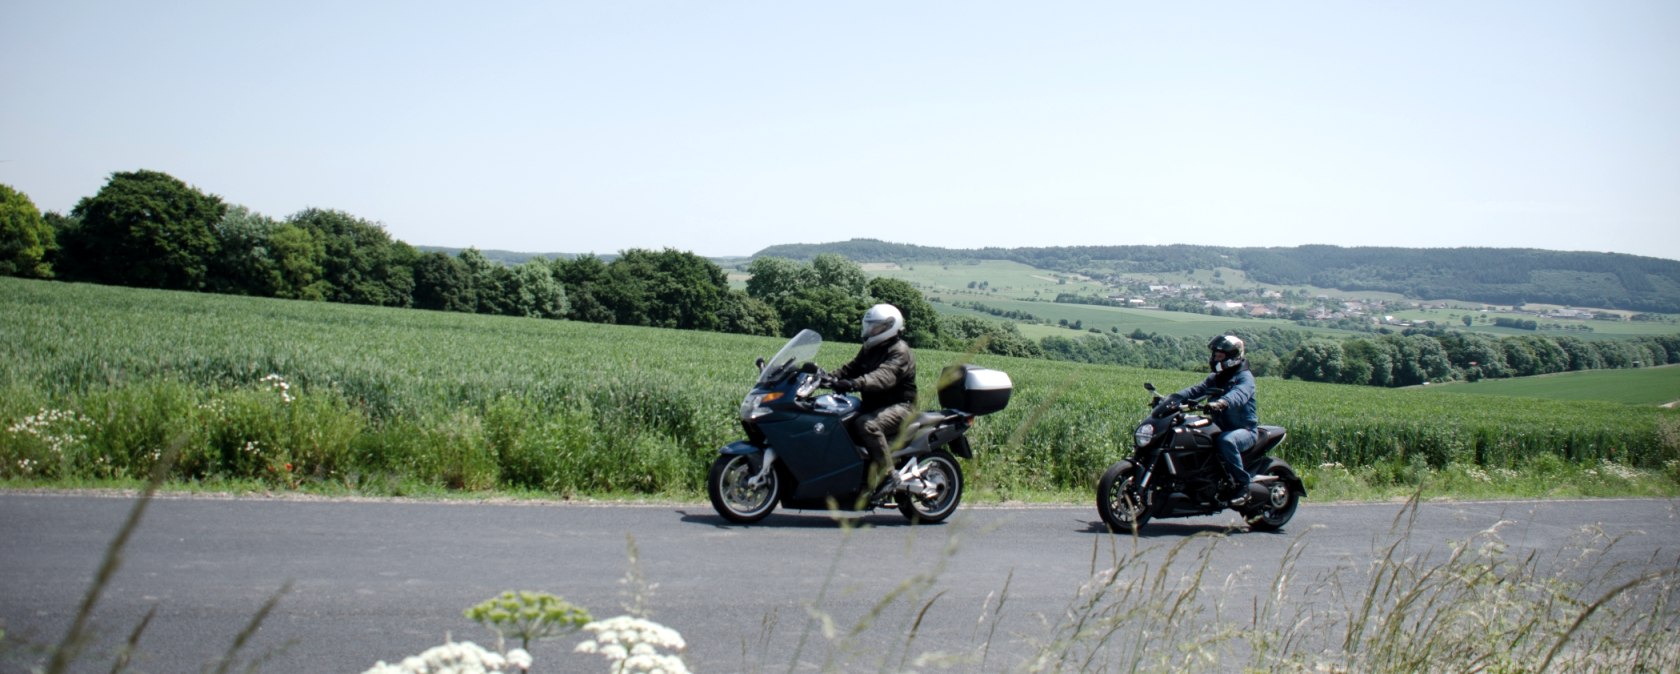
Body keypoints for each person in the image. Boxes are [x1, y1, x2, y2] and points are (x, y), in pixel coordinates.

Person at [829, 303, 917, 495]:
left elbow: (884, 377)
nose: (870, 329)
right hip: (876, 405)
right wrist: (827, 377)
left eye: (875, 326)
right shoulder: (871, 347)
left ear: (889, 327)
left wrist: (855, 384)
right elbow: (851, 368)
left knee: (867, 425)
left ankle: (888, 474)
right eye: (869, 325)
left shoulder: (899, 351)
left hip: (901, 407)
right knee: (838, 420)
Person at [1169, 334, 1258, 506]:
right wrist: (1171, 399)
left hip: (1245, 431)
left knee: (1227, 441)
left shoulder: (1245, 378)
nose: (1215, 359)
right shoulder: (1216, 377)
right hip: (1220, 427)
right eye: (1215, 355)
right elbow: (1196, 391)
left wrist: (1222, 402)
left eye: (1219, 356)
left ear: (1232, 357)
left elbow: (1239, 395)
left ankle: (1243, 486)